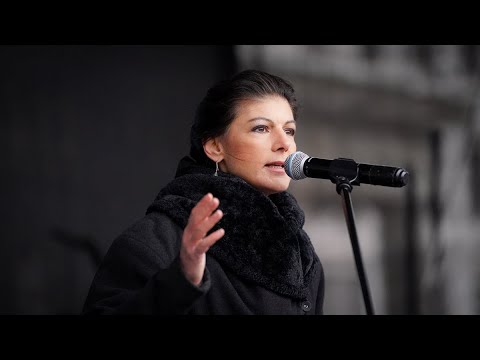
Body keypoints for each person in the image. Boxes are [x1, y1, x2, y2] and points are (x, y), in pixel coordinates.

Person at [82, 69, 325, 315]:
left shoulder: (302, 253)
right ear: (215, 147)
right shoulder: (160, 238)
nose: (284, 144)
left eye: (289, 130)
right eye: (261, 128)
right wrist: (181, 279)